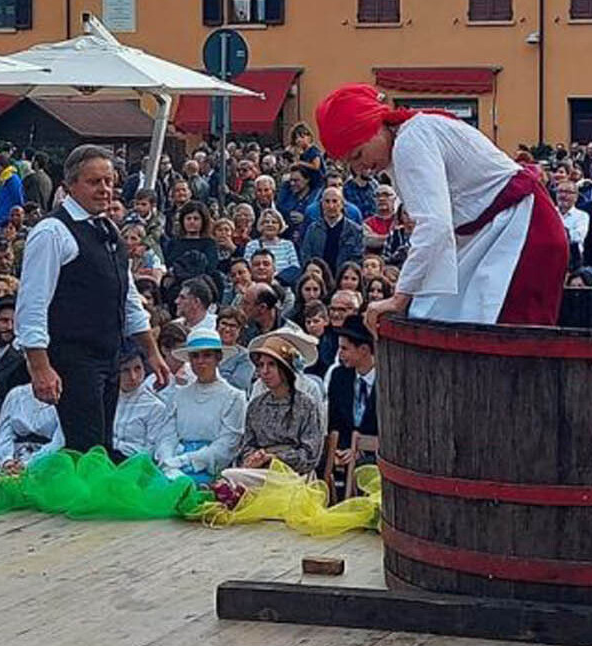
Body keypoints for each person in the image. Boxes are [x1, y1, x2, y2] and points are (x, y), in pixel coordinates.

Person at [315, 84, 564, 328]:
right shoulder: (410, 137)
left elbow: (434, 226)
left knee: (508, 337)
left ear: (376, 128)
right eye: (351, 163)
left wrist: (400, 298)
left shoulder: (410, 141)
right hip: (503, 228)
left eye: (358, 154)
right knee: (450, 318)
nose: (361, 169)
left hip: (524, 228)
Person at [16, 145, 172, 455]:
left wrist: (151, 352)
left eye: (109, 181)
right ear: (70, 185)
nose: (105, 190)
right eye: (94, 182)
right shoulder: (52, 232)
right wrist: (40, 366)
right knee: (86, 448)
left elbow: (127, 297)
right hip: (73, 358)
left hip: (109, 355)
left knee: (101, 445)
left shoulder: (110, 229)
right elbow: (31, 305)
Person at [164, 323, 247, 481]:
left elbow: (227, 445)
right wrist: (167, 459)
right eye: (195, 356)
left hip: (211, 468)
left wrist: (189, 460)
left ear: (218, 358)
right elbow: (167, 433)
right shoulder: (179, 394)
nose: (200, 361)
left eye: (207, 355)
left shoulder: (234, 397)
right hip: (174, 463)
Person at [234, 335, 324, 475]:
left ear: (285, 369)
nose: (265, 371)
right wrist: (254, 457)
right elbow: (247, 444)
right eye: (261, 365)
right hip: (259, 470)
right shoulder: (256, 405)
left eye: (271, 365)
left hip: (293, 473)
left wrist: (276, 459)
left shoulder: (305, 405)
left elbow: (310, 454)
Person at [324, 315, 378, 472]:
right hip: (343, 457)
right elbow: (334, 423)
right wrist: (340, 451)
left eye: (345, 348)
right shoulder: (338, 376)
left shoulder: (387, 382)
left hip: (376, 461)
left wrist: (361, 452)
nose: (339, 353)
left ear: (364, 350)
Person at [112, 344, 176, 465]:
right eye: (125, 370)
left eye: (137, 368)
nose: (133, 377)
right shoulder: (106, 398)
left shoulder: (154, 407)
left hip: (133, 464)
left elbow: (151, 451)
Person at [0, 381, 64, 469]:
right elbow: (3, 432)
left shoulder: (65, 396)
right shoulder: (16, 394)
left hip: (48, 459)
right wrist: (6, 460)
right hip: (15, 457)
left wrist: (29, 463)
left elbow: (60, 440)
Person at [299, 187, 365, 275]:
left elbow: (357, 259)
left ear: (342, 204)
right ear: (321, 204)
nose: (331, 206)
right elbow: (306, 255)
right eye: (327, 201)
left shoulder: (355, 230)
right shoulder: (313, 229)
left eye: (335, 201)